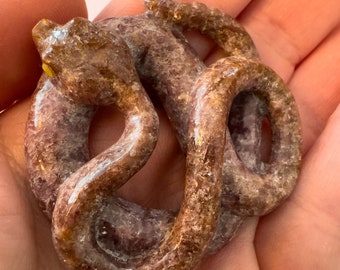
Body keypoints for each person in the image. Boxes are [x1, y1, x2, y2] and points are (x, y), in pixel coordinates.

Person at [0, 0, 339, 269]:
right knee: (245, 186)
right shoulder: (132, 116)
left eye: (80, 30)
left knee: (247, 188)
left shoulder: (142, 76)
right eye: (50, 67)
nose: (44, 28)